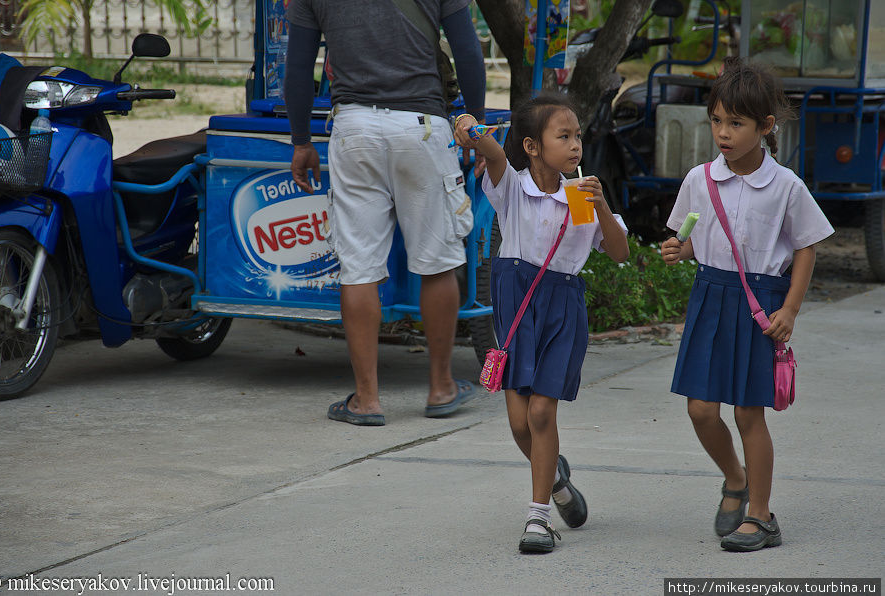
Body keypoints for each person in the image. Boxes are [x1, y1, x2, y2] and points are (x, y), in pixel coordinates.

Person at [284, 1, 487, 426]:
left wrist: (301, 140)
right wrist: (479, 125)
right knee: (437, 263)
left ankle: (367, 399)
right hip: (422, 126)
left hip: (353, 128)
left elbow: (299, 65)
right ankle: (441, 387)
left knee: (359, 268)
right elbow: (468, 50)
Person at [661, 56, 834, 552]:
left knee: (748, 415)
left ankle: (761, 516)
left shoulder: (785, 187)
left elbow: (806, 245)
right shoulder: (700, 179)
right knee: (699, 409)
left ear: (765, 126)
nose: (723, 133)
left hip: (760, 302)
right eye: (716, 120)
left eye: (736, 123)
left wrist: (792, 309)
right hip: (710, 297)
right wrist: (680, 249)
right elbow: (691, 236)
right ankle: (734, 477)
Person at [454, 92, 629, 553]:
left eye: (578, 137)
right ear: (532, 146)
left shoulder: (582, 196)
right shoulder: (512, 187)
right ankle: (556, 482)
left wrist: (602, 205)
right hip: (516, 307)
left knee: (540, 412)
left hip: (562, 308)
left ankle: (538, 520)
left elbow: (618, 251)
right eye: (563, 136)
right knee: (517, 423)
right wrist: (470, 128)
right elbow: (492, 151)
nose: (575, 146)